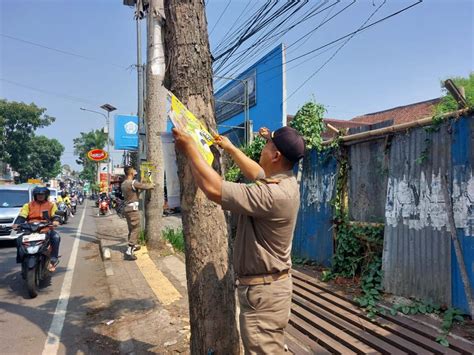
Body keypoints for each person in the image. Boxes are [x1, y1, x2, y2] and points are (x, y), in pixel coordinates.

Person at [173, 125, 305, 354]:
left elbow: (213, 188)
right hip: (269, 290)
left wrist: (190, 148)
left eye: (266, 145)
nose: (262, 149)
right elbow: (257, 173)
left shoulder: (272, 196)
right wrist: (231, 149)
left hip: (264, 295)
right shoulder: (285, 182)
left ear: (275, 156)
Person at [13, 186, 61, 272]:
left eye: (42, 194)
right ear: (35, 195)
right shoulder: (28, 205)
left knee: (56, 237)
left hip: (46, 227)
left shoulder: (51, 205)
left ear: (46, 195)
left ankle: (53, 260)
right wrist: (16, 223)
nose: (40, 196)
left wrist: (56, 221)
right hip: (30, 229)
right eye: (38, 194)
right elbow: (22, 215)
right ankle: (22, 259)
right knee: (19, 240)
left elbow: (55, 215)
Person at [121, 166, 155, 260]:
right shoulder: (133, 182)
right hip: (133, 209)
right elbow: (146, 186)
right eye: (134, 170)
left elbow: (136, 192)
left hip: (127, 209)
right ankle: (129, 251)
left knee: (131, 229)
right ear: (131, 173)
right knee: (136, 229)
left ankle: (133, 245)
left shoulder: (123, 184)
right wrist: (152, 185)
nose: (135, 172)